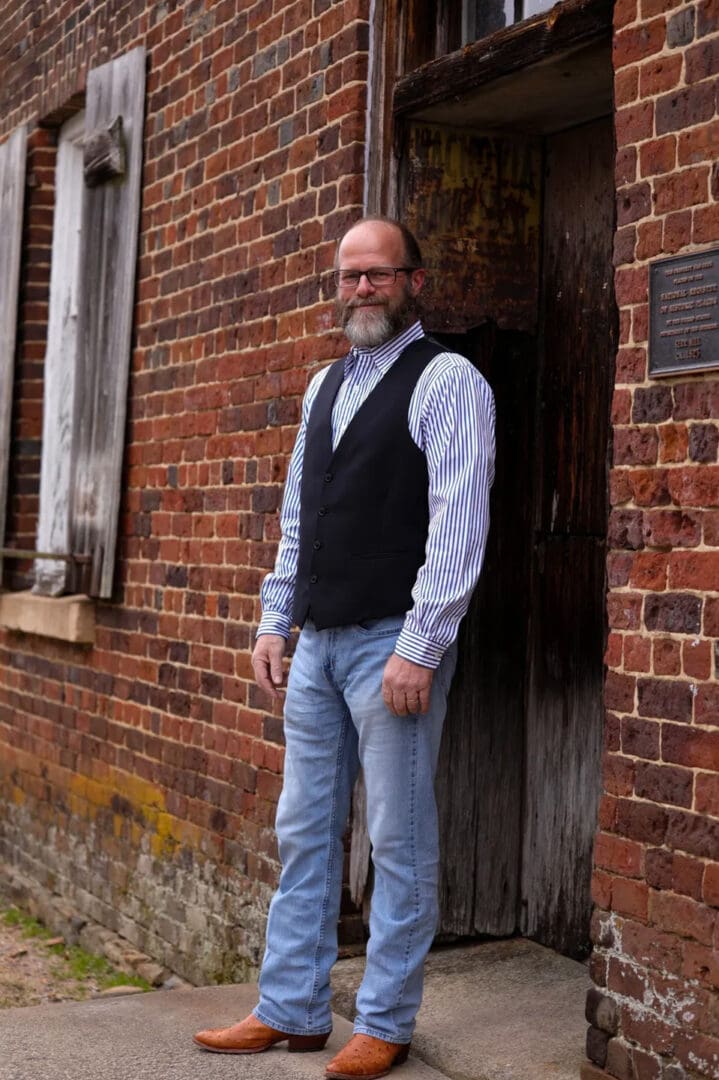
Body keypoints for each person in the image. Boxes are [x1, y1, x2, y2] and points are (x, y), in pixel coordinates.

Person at [193, 216, 496, 1079]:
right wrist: (272, 621)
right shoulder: (322, 385)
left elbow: (458, 527)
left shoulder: (448, 381)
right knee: (304, 832)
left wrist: (422, 644)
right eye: (348, 277)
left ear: (414, 281)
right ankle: (289, 1008)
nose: (361, 289)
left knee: (397, 841)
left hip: (389, 648)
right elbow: (299, 522)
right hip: (316, 648)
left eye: (378, 274)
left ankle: (386, 1021)